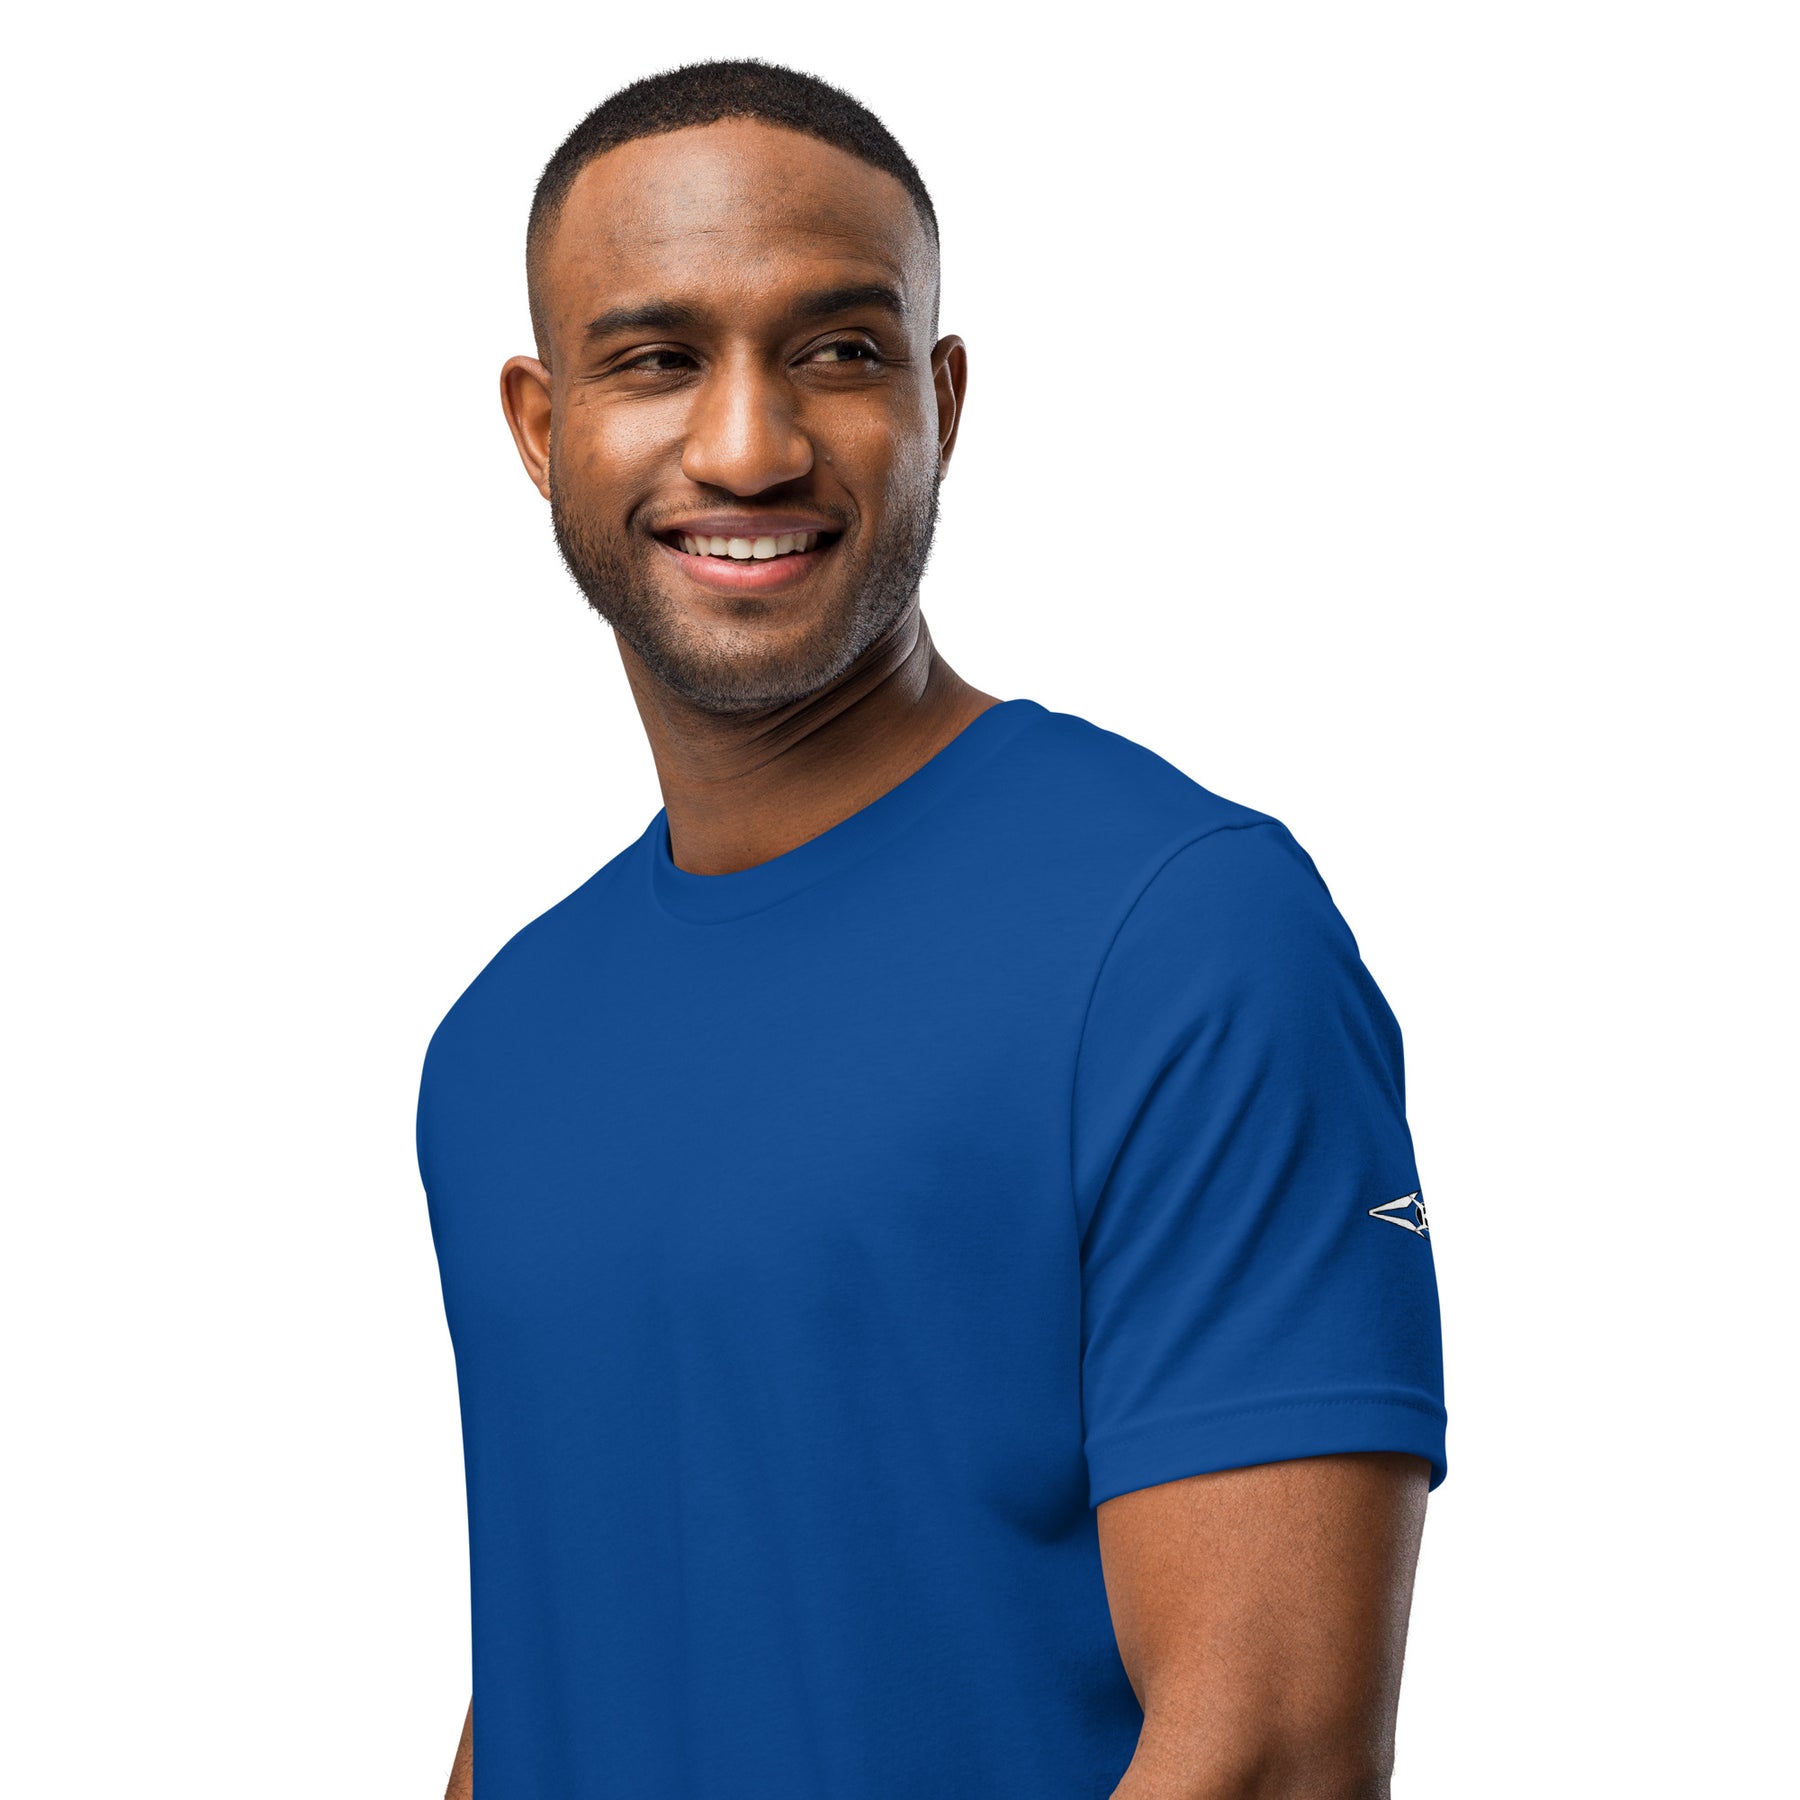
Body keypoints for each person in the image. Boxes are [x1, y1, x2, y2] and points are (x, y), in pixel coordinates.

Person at [419, 58, 1448, 1800]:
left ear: (940, 400)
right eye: (657, 359)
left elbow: (1268, 1755)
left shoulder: (1187, 941)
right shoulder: (500, 1048)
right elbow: (565, 1669)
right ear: (541, 426)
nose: (747, 447)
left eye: (837, 350)